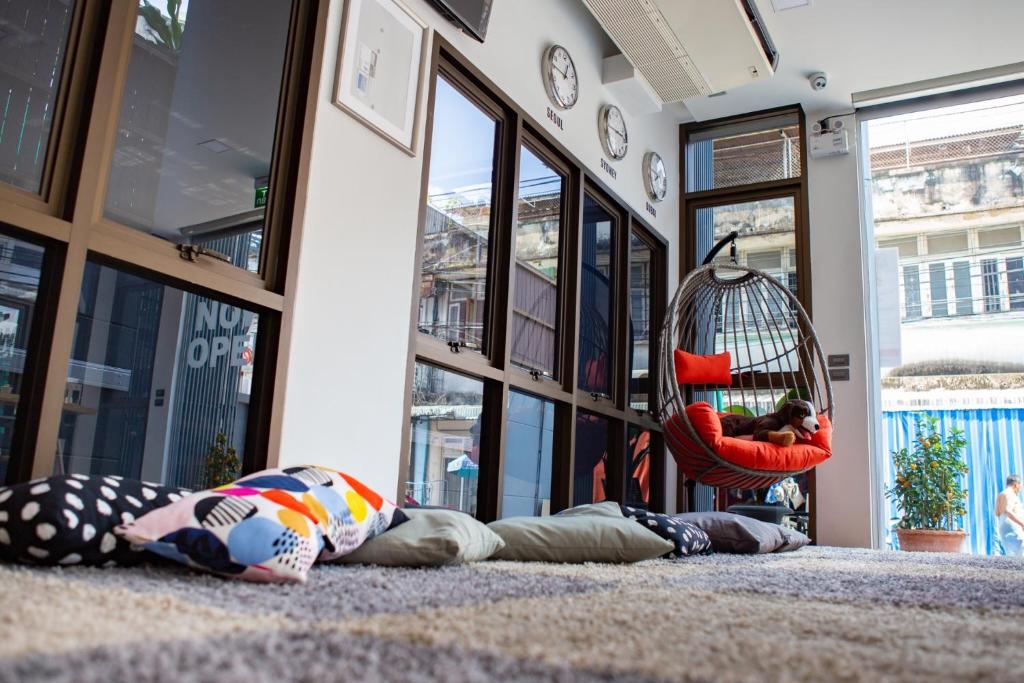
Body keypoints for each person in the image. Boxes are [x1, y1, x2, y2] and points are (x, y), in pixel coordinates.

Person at [996, 475, 1024, 557]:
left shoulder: (1001, 494)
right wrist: (1022, 523)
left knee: (1012, 555)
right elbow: (1008, 511)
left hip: (1004, 525)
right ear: (1016, 484)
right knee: (1020, 554)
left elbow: (997, 512)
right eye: (1020, 486)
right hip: (1013, 527)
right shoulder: (1010, 494)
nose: (1020, 488)